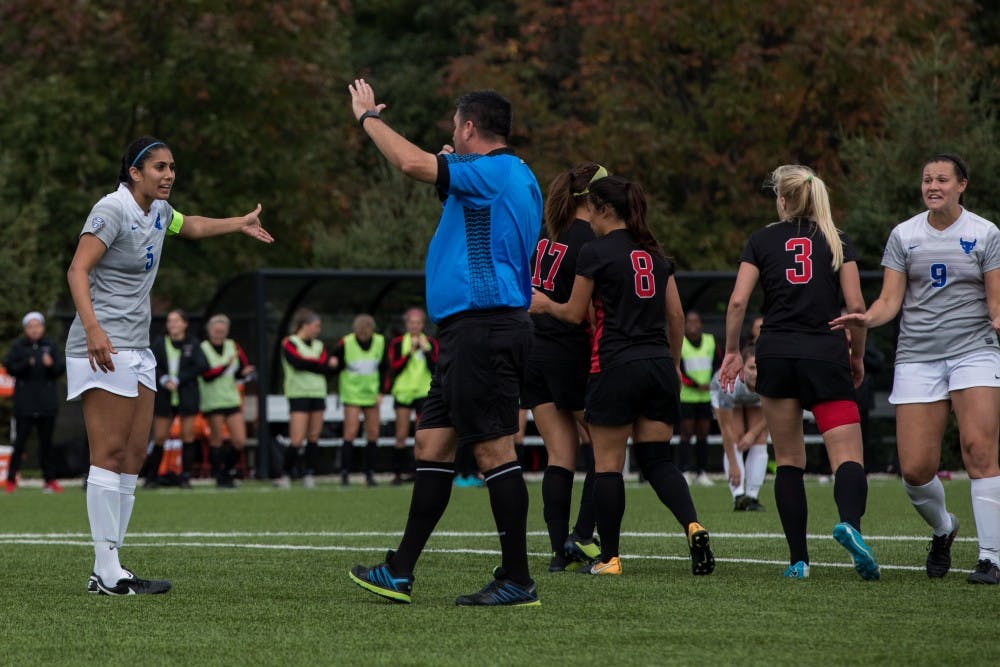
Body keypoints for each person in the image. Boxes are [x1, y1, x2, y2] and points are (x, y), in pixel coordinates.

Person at [346, 80, 543, 606]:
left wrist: (368, 119)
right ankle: (401, 570)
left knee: (493, 450)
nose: (451, 135)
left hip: (484, 327)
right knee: (432, 445)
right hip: (469, 331)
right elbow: (470, 211)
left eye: (456, 127)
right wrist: (450, 169)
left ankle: (518, 580)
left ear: (470, 128)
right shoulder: (516, 174)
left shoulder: (495, 172)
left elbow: (410, 165)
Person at [66, 136, 272, 595]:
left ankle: (112, 562)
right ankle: (105, 569)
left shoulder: (158, 211)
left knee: (135, 456)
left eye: (172, 166)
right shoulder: (112, 209)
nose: (169, 174)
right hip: (102, 344)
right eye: (159, 167)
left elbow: (192, 226)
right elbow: (77, 270)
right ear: (134, 172)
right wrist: (95, 330)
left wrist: (240, 222)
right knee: (109, 453)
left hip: (137, 347)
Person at [530, 175, 715, 578]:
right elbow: (677, 317)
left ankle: (609, 557)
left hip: (614, 366)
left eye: (593, 212)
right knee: (659, 462)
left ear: (605, 210)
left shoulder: (595, 253)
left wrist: (544, 304)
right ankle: (694, 526)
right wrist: (671, 362)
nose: (590, 220)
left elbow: (575, 314)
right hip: (659, 368)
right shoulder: (655, 253)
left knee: (608, 465)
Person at [832, 153, 1000, 585]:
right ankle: (944, 529)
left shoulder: (985, 234)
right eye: (927, 180)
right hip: (918, 357)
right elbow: (890, 301)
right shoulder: (905, 235)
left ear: (962, 185)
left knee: (979, 451)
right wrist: (867, 318)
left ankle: (990, 558)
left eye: (942, 179)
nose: (933, 186)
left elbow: (995, 306)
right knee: (915, 470)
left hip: (974, 353)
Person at [720, 164, 878, 581]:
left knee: (789, 460)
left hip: (776, 352)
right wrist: (857, 356)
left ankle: (799, 560)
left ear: (784, 199)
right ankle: (851, 525)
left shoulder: (761, 239)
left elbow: (738, 302)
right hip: (825, 352)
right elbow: (856, 306)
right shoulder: (836, 239)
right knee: (847, 456)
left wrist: (733, 351)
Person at [524, 162, 605, 572]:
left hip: (533, 351)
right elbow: (579, 313)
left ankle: (559, 552)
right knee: (602, 446)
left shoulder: (546, 236)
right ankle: (582, 535)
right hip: (568, 351)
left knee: (560, 453)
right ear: (594, 198)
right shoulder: (590, 239)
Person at [3, 311, 66, 493]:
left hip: (47, 404)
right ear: (25, 329)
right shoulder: (18, 347)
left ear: (43, 328)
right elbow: (9, 366)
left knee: (46, 444)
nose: (34, 330)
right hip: (25, 404)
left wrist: (51, 364)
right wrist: (25, 363)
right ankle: (11, 480)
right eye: (30, 327)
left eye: (37, 326)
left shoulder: (50, 346)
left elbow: (60, 369)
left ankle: (50, 480)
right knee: (20, 443)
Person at [145, 309, 207, 489]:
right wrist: (163, 379)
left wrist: (180, 379)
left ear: (185, 324)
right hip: (165, 396)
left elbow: (201, 365)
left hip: (186, 395)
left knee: (187, 436)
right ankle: (152, 477)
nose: (172, 324)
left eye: (176, 321)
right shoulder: (159, 343)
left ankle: (185, 477)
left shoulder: (193, 344)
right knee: (160, 437)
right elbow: (150, 364)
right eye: (170, 321)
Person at [278, 308, 337, 489]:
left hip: (318, 393)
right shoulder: (290, 342)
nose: (318, 330)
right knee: (297, 438)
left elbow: (327, 367)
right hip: (298, 394)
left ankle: (309, 473)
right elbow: (297, 363)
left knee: (313, 436)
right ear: (305, 325)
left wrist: (320, 365)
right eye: (316, 326)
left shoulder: (319, 345)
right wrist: (320, 364)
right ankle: (285, 474)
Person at [199, 314, 255, 488]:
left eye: (222, 331)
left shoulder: (233, 346)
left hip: (231, 399)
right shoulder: (203, 348)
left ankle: (228, 471)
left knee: (240, 440)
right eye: (216, 331)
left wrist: (245, 373)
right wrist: (225, 366)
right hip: (212, 400)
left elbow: (241, 369)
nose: (219, 334)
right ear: (210, 331)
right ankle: (219, 477)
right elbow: (206, 374)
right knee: (216, 440)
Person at [711, 345, 768, 511]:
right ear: (742, 367)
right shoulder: (729, 384)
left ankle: (752, 497)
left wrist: (752, 434)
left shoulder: (770, 379)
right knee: (736, 435)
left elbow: (775, 414)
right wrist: (734, 464)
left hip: (754, 399)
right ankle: (738, 495)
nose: (756, 373)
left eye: (759, 368)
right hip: (729, 398)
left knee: (760, 438)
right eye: (751, 367)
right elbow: (725, 428)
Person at [333, 314, 388, 487]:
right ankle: (344, 473)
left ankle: (369, 474)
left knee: (373, 433)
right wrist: (332, 362)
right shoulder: (346, 342)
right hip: (351, 394)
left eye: (366, 332)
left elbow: (385, 368)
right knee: (350, 432)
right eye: (360, 332)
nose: (363, 335)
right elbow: (335, 362)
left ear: (372, 330)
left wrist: (381, 392)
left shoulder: (380, 342)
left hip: (372, 394)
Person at [387, 307, 438, 486]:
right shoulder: (398, 343)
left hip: (424, 393)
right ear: (406, 324)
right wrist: (409, 353)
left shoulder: (430, 342)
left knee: (421, 435)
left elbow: (436, 368)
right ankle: (397, 473)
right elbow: (395, 367)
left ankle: (418, 472)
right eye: (411, 323)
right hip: (404, 392)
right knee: (400, 434)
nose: (414, 326)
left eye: (418, 323)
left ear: (422, 324)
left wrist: (426, 352)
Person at [678, 310, 719, 487]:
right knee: (686, 434)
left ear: (701, 323)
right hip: (687, 396)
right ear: (684, 324)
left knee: (703, 434)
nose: (693, 324)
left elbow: (719, 363)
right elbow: (678, 369)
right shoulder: (680, 342)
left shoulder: (710, 341)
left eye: (696, 321)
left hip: (706, 396)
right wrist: (695, 385)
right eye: (689, 321)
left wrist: (711, 381)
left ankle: (702, 472)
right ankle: (684, 471)